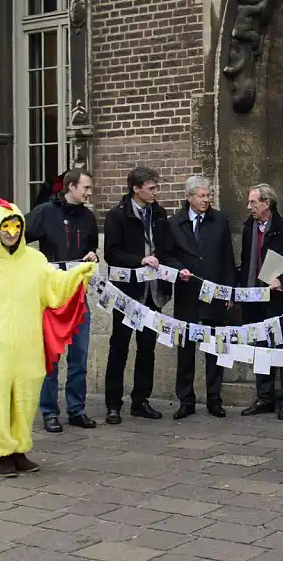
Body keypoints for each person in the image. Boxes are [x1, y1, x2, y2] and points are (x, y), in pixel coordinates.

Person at [0, 198, 96, 477]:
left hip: (29, 347)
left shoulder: (35, 261)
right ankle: (0, 454)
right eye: (5, 226)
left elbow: (54, 288)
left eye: (16, 226)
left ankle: (19, 450)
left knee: (25, 400)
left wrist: (79, 272)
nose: (11, 231)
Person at [0, 169, 100, 433]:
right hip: (50, 297)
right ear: (71, 187)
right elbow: (12, 235)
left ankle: (77, 409)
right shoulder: (45, 213)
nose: (88, 193)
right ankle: (49, 411)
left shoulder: (88, 217)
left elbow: (92, 248)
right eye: (85, 188)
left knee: (79, 357)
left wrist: (91, 256)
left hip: (77, 297)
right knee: (49, 357)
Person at [103, 166, 172, 424]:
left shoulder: (159, 213)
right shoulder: (117, 216)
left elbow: (164, 249)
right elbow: (111, 253)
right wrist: (139, 260)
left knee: (147, 348)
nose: (156, 192)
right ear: (136, 188)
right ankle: (113, 404)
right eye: (151, 187)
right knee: (119, 347)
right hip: (127, 293)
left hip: (153, 292)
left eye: (156, 187)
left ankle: (140, 401)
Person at [166, 176, 235, 420]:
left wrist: (229, 290)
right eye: (201, 196)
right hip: (187, 293)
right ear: (189, 197)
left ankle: (215, 399)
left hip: (215, 293)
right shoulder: (174, 223)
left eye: (208, 195)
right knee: (185, 349)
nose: (206, 200)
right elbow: (167, 255)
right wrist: (177, 269)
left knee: (215, 348)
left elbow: (228, 257)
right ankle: (186, 400)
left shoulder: (219, 221)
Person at [238, 183, 283, 420]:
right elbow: (246, 261)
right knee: (261, 349)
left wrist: (282, 280)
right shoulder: (248, 228)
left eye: (253, 202)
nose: (249, 207)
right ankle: (264, 397)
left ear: (267, 203)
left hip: (279, 300)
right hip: (254, 298)